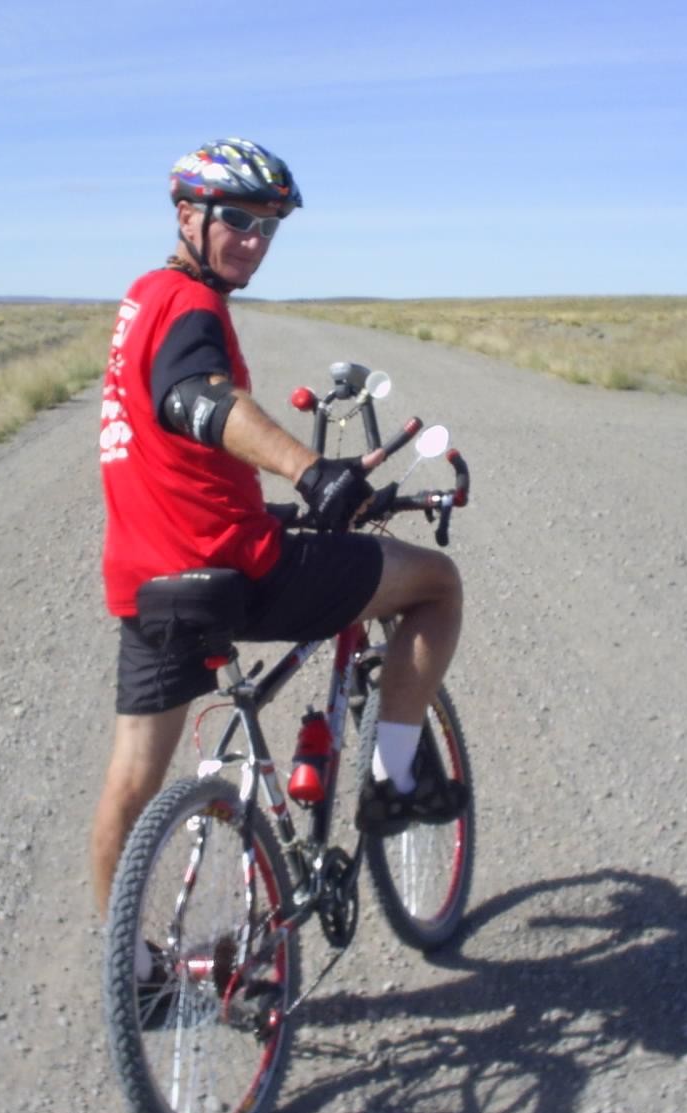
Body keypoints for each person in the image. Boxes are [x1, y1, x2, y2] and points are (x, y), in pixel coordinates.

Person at [91, 137, 466, 918]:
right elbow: (197, 400)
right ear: (187, 216)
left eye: (268, 227)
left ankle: (130, 967)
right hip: (236, 571)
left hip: (148, 579)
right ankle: (396, 778)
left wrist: (287, 504)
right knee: (436, 585)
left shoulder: (143, 300)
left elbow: (175, 455)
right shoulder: (191, 307)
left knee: (130, 783)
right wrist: (310, 470)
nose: (254, 242)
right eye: (237, 220)